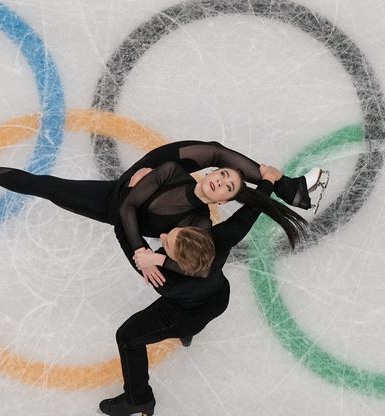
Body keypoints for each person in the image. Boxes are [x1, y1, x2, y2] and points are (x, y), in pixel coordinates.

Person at [0, 141, 326, 283]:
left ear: (222, 201)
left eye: (228, 187)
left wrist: (155, 258)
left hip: (120, 220)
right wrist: (142, 250)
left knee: (172, 276)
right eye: (220, 175)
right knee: (43, 185)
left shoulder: (198, 222)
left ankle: (289, 189)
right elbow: (129, 205)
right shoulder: (173, 171)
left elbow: (199, 261)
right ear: (207, 174)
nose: (220, 180)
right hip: (117, 197)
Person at [98, 164, 284, 416]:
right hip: (218, 299)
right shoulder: (220, 239)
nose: (163, 235)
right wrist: (268, 181)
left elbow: (121, 227)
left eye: (166, 243)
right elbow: (250, 212)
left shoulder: (164, 279)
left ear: (177, 262)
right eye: (174, 233)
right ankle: (187, 335)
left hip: (182, 316)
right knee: (189, 319)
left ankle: (138, 398)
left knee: (127, 337)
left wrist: (131, 190)